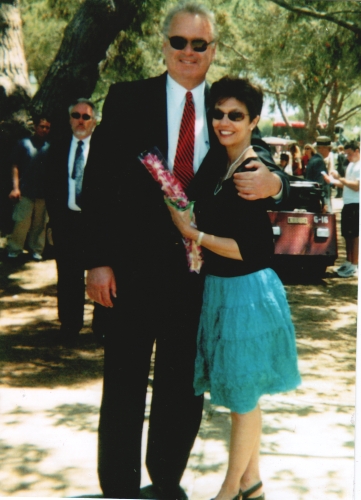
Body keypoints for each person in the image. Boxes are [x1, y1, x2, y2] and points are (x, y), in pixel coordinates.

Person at [82, 3, 290, 499]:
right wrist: (97, 260)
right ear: (165, 45)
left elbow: (257, 156)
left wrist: (277, 183)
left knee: (182, 388)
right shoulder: (128, 99)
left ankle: (167, 483)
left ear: (213, 50)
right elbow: (97, 185)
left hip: (198, 278)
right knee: (125, 385)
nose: (189, 52)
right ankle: (118, 488)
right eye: (180, 42)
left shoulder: (225, 105)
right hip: (129, 273)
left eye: (200, 44)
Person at [167, 76, 301, 500]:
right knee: (240, 395)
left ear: (254, 120)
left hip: (247, 294)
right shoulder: (217, 159)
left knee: (243, 400)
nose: (225, 122)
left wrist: (196, 235)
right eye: (219, 113)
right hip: (221, 291)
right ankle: (252, 482)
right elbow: (189, 199)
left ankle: (228, 492)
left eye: (236, 116)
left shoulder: (249, 164)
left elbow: (253, 249)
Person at [45, 98, 97, 343]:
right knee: (68, 277)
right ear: (69, 120)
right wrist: (54, 223)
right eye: (76, 115)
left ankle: (102, 327)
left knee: (100, 273)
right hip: (67, 223)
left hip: (96, 224)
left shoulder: (105, 148)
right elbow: (51, 188)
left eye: (86, 117)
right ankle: (70, 325)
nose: (80, 120)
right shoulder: (56, 148)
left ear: (94, 121)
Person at [7, 116, 51, 261]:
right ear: (35, 127)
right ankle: (14, 250)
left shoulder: (50, 147)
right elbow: (15, 166)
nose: (44, 130)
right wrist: (15, 188)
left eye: (47, 127)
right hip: (25, 191)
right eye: (42, 126)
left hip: (43, 193)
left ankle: (36, 250)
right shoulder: (23, 144)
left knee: (40, 224)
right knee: (21, 222)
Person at [323, 141, 360, 278]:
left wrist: (340, 178)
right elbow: (346, 185)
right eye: (346, 154)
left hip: (357, 203)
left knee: (354, 236)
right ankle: (349, 261)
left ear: (357, 151)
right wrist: (332, 181)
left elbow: (356, 186)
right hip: (348, 203)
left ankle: (355, 264)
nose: (348, 157)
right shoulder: (351, 165)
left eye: (350, 154)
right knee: (347, 235)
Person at [305, 136, 332, 212]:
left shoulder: (312, 160)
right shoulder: (319, 162)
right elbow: (320, 184)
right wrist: (324, 203)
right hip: (317, 200)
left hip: (311, 198)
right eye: (329, 149)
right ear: (322, 148)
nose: (329, 152)